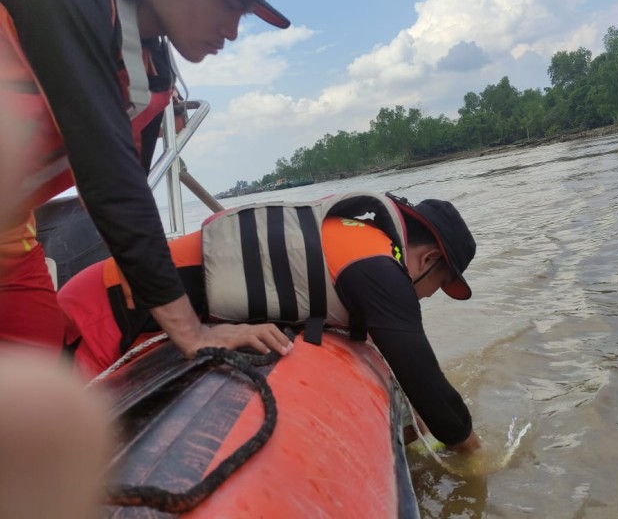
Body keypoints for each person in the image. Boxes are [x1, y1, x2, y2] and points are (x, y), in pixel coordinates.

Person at [0, 0, 291, 358]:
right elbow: (108, 175)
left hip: (8, 236)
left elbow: (132, 198)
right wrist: (192, 332)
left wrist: (156, 302)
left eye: (243, 15)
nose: (232, 31)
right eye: (228, 3)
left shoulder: (152, 73)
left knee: (39, 361)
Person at [60, 192, 483, 453]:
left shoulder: (360, 240)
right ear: (428, 259)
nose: (429, 295)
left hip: (115, 296)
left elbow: (407, 368)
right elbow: (425, 380)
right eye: (438, 284)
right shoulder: (378, 268)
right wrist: (475, 452)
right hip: (107, 311)